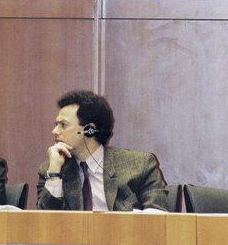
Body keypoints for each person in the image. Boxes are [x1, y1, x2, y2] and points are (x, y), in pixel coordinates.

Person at [37, 89, 168, 211]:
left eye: (63, 125)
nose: (54, 131)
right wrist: (54, 174)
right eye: (56, 125)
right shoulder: (51, 169)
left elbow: (159, 219)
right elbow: (44, 224)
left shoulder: (140, 165)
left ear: (89, 130)